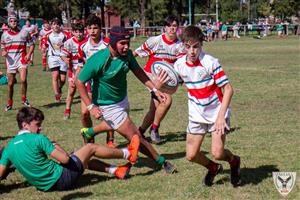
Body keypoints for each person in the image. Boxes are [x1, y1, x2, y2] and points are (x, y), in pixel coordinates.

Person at [76, 26, 176, 174]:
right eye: (122, 43)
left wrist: (154, 90)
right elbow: (79, 81)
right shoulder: (99, 60)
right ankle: (161, 161)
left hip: (122, 99)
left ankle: (89, 132)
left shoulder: (127, 55)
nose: (126, 47)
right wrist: (91, 106)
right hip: (107, 105)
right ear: (113, 42)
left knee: (116, 126)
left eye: (127, 43)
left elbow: (138, 72)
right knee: (135, 136)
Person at [0, 107, 140, 191]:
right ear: (25, 125)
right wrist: (54, 145)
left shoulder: (9, 148)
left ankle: (117, 170)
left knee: (80, 157)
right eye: (37, 124)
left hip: (45, 186)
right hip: (61, 179)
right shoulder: (39, 139)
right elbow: (65, 159)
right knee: (90, 148)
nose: (40, 128)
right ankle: (128, 153)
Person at [173, 25, 241, 187]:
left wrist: (220, 117)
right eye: (188, 47)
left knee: (218, 153)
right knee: (191, 155)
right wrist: (159, 86)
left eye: (195, 47)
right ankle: (213, 168)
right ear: (183, 46)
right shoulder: (179, 65)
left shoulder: (210, 62)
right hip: (196, 114)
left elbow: (228, 89)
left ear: (201, 45)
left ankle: (234, 161)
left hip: (217, 112)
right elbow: (174, 87)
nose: (191, 51)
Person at [134, 15, 185, 144]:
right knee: (166, 100)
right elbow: (136, 53)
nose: (172, 29)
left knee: (155, 108)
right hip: (150, 76)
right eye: (170, 26)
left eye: (175, 26)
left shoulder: (179, 46)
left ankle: (138, 134)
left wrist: (181, 78)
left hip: (166, 79)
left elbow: (181, 65)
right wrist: (122, 64)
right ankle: (154, 130)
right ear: (165, 28)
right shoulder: (155, 41)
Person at [76, 14, 115, 147]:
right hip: (88, 84)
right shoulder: (82, 46)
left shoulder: (107, 44)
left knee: (108, 113)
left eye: (95, 28)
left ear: (101, 29)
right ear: (86, 29)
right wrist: (75, 77)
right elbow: (81, 64)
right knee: (84, 112)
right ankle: (90, 137)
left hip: (105, 84)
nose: (92, 31)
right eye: (89, 28)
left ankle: (110, 140)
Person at [1, 15, 34, 111]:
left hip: (21, 60)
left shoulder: (24, 32)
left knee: (23, 80)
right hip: (10, 61)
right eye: (11, 21)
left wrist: (28, 54)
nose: (13, 22)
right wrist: (3, 52)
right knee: (10, 84)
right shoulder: (4, 35)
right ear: (8, 23)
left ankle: (24, 99)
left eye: (15, 21)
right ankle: (9, 102)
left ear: (17, 22)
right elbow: (3, 47)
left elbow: (31, 44)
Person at [42, 18, 70, 103]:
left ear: (60, 25)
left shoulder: (66, 35)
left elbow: (70, 44)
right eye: (54, 24)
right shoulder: (47, 35)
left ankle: (59, 89)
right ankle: (57, 96)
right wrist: (44, 49)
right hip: (52, 57)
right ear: (51, 26)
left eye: (57, 24)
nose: (56, 26)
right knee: (55, 75)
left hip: (63, 57)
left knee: (62, 79)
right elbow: (44, 44)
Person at [61, 23, 85, 120]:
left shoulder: (86, 42)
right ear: (73, 32)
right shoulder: (69, 42)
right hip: (73, 70)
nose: (79, 34)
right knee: (71, 91)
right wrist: (65, 59)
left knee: (87, 92)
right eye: (76, 32)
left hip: (85, 70)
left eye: (80, 32)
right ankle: (67, 111)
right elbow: (62, 54)